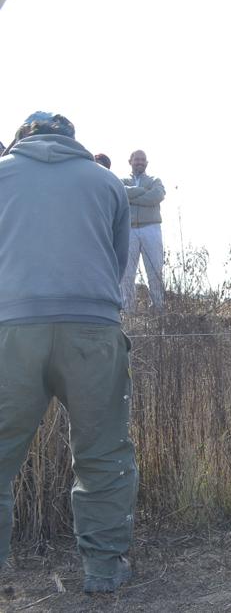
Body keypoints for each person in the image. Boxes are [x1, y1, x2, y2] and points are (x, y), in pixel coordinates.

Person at [0, 112, 137, 594]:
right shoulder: (107, 182)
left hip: (12, 329)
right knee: (102, 453)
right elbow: (117, 259)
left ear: (21, 139)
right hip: (92, 329)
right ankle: (103, 571)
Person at [120, 149, 166, 312]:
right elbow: (120, 193)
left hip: (151, 227)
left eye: (142, 159)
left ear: (146, 163)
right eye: (137, 159)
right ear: (130, 161)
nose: (139, 162)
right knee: (127, 272)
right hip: (129, 229)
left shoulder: (155, 180)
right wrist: (142, 192)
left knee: (155, 269)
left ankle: (158, 308)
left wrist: (131, 198)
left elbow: (157, 196)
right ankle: (128, 310)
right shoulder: (121, 181)